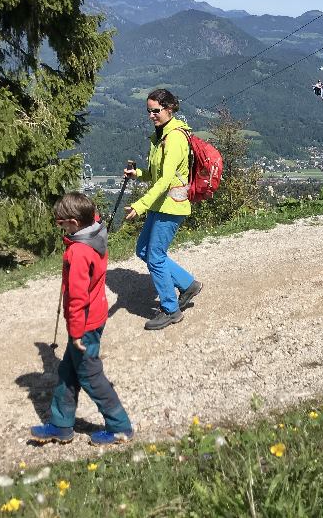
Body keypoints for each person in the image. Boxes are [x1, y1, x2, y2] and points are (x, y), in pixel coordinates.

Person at [30, 191, 134, 445]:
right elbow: (93, 214)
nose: (60, 227)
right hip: (95, 316)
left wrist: (75, 333)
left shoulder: (78, 253)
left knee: (91, 376)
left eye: (61, 223)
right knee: (68, 371)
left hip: (84, 326)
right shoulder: (97, 232)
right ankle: (61, 425)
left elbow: (77, 298)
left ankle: (120, 427)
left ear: (74, 223)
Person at [124, 88, 204, 331]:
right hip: (161, 203)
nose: (151, 115)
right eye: (148, 111)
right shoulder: (160, 136)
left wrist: (139, 205)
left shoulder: (175, 138)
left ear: (169, 109)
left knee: (155, 256)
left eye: (155, 111)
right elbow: (156, 173)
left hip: (172, 205)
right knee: (144, 250)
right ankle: (188, 284)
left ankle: (170, 309)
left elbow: (166, 179)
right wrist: (137, 173)